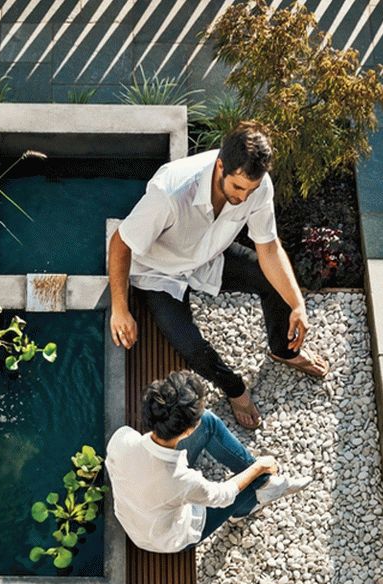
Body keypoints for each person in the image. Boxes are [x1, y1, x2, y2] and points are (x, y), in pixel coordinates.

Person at [108, 121, 329, 430]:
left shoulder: (257, 186)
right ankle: (235, 389)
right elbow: (120, 242)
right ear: (221, 165)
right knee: (192, 347)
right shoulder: (171, 191)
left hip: (208, 256)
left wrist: (297, 305)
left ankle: (282, 351)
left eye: (250, 190)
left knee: (275, 285)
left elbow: (268, 248)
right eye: (238, 188)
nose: (244, 196)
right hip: (158, 273)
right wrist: (120, 309)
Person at [105, 371, 311, 554]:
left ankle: (255, 493)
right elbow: (223, 495)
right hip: (167, 540)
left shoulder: (122, 439)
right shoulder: (183, 480)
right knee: (255, 479)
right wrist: (260, 466)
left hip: (136, 517)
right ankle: (259, 491)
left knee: (209, 421)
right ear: (188, 431)